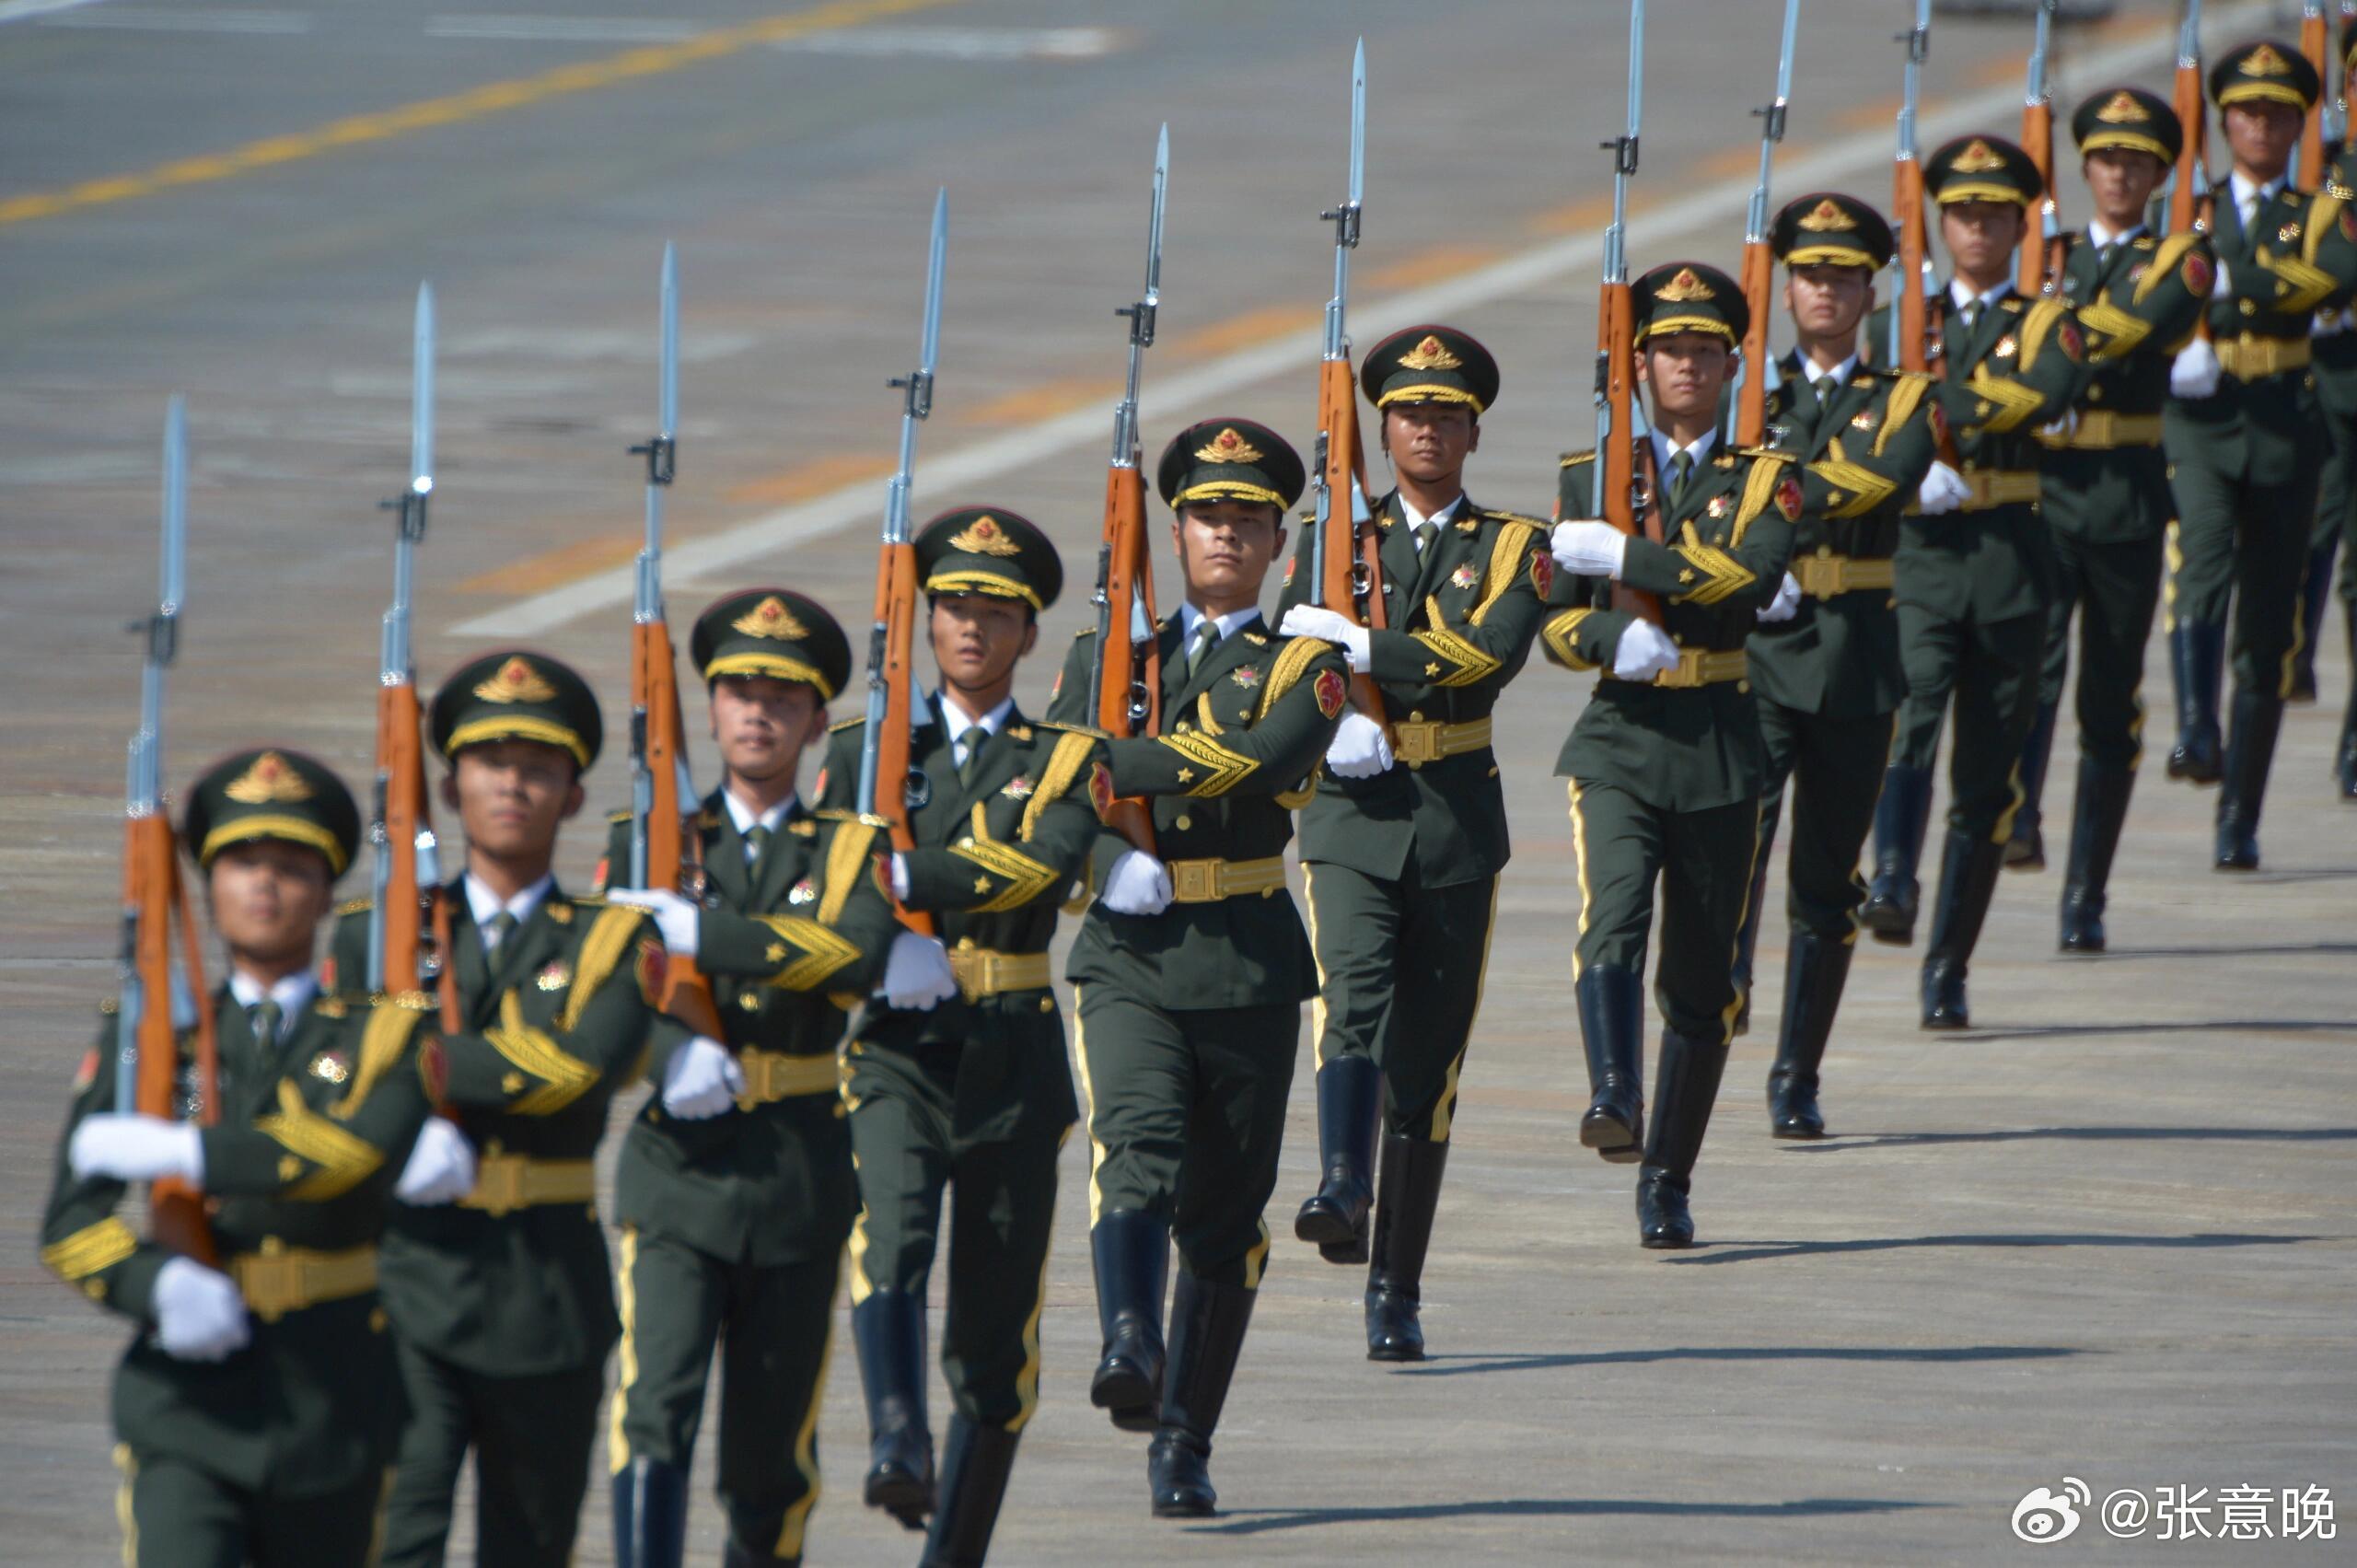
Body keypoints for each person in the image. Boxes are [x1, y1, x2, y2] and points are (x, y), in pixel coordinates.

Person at [593, 589, 954, 1568]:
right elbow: (608, 995)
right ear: (708, 709)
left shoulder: (851, 847)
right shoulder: (645, 840)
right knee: (654, 1407)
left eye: (782, 697)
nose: (757, 711)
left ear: (809, 719)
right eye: (737, 691)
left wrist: (696, 933)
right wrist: (676, 1053)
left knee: (770, 1454)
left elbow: (852, 953)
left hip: (796, 1174)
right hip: (677, 1176)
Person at [41, 748, 456, 1566]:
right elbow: (70, 1220)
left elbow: (349, 1153)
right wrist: (154, 1282)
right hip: (186, 1403)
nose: (264, 885)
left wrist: (188, 1149)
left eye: (292, 867)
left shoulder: (388, 1034)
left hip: (332, 1390)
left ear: (329, 892)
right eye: (240, 862)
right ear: (207, 885)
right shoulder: (158, 1039)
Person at [1046, 420, 1347, 1516]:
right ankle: (1129, 1334)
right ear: (1172, 532)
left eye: (1247, 519)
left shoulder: (1305, 665)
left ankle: (1185, 1437)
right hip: (1127, 955)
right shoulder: (1105, 656)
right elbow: (1044, 793)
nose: (1226, 532)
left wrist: (1109, 762)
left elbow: (1264, 758)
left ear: (1276, 541)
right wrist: (1093, 855)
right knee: (1135, 1147)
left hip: (1247, 960)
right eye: (1207, 515)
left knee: (1224, 1211)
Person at [336, 650, 679, 1568]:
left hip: (544, 1295)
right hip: (403, 1285)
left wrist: (415, 1062)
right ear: (451, 788)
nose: (513, 785)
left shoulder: (615, 937)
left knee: (529, 1545)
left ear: (572, 795)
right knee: (391, 1539)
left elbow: (575, 1066)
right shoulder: (369, 937)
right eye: (492, 764)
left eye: (538, 768)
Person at [814, 509, 1108, 1568]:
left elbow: (1043, 868)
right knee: (886, 1239)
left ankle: (954, 1550)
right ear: (924, 623)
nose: (971, 626)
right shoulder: (861, 753)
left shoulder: (1066, 757)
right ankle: (896, 1430)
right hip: (896, 1046)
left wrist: (909, 877)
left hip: (1012, 1054)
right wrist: (869, 934)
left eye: (995, 610)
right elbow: (817, 890)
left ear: (1030, 634)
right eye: (952, 608)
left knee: (993, 1340)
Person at [1273, 323, 1552, 1360]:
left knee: (1427, 1065)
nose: (1425, 427)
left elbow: (1482, 657)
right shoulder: (1326, 538)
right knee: (1351, 998)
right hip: (1349, 814)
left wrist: (1368, 648)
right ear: (1382, 428)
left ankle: (1396, 1285)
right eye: (1407, 413)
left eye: (1444, 413)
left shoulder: (1513, 546)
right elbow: (1285, 655)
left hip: (1450, 822)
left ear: (1472, 429)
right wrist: (1332, 706)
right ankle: (1342, 1182)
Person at [1547, 260, 1800, 1246]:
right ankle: (1613, 1088)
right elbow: (1555, 625)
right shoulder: (1591, 475)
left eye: (1703, 349)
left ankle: (1668, 1176)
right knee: (1609, 916)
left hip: (1718, 741)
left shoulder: (1766, 478)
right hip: (1618, 736)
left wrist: (1633, 562)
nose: (1685, 365)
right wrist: (1613, 637)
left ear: (1733, 363)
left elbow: (1747, 577)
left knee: (1701, 977)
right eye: (1667, 349)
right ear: (1639, 362)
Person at [1859, 134, 2092, 1028]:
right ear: (1940, 223)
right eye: (1962, 214)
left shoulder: (2046, 322)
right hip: (1918, 555)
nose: (1978, 230)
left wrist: (1925, 400)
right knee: (1908, 718)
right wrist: (1911, 451)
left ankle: (1948, 963)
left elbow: (2044, 394)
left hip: (2006, 562)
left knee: (1988, 777)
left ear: (2018, 223)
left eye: (1995, 215)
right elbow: (1861, 411)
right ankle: (1889, 873)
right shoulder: (1896, 326)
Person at [1727, 192, 1944, 1137]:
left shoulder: (1902, 397)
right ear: (1784, 291)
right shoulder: (1745, 395)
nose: (1824, 290)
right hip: (1757, 656)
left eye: (1842, 276)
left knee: (1826, 876)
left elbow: (1887, 475)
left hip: (1854, 657)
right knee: (1734, 841)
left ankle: (1796, 1071)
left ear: (1869, 288)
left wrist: (1774, 491)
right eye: (1808, 275)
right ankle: (1719, 977)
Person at [2006, 88, 2213, 947]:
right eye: (2105, 158)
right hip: (2046, 494)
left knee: (2109, 698)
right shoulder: (2040, 255)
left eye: (2136, 161)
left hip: (2124, 499)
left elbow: (2123, 331)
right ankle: (2018, 819)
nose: (2119, 172)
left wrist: (2039, 326)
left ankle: (2086, 892)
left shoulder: (2178, 263)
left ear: (2162, 173)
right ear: (2084, 168)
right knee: (2030, 671)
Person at [2161, 40, 2357, 865]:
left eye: (2278, 114)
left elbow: (2336, 276)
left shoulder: (2315, 213)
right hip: (2202, 420)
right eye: (2247, 112)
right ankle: (2197, 724)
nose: (2262, 125)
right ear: (2223, 122)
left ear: (2297, 124)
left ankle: (2239, 813)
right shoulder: (2193, 208)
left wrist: (2228, 287)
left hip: (2283, 417)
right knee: (2201, 557)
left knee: (2272, 621)